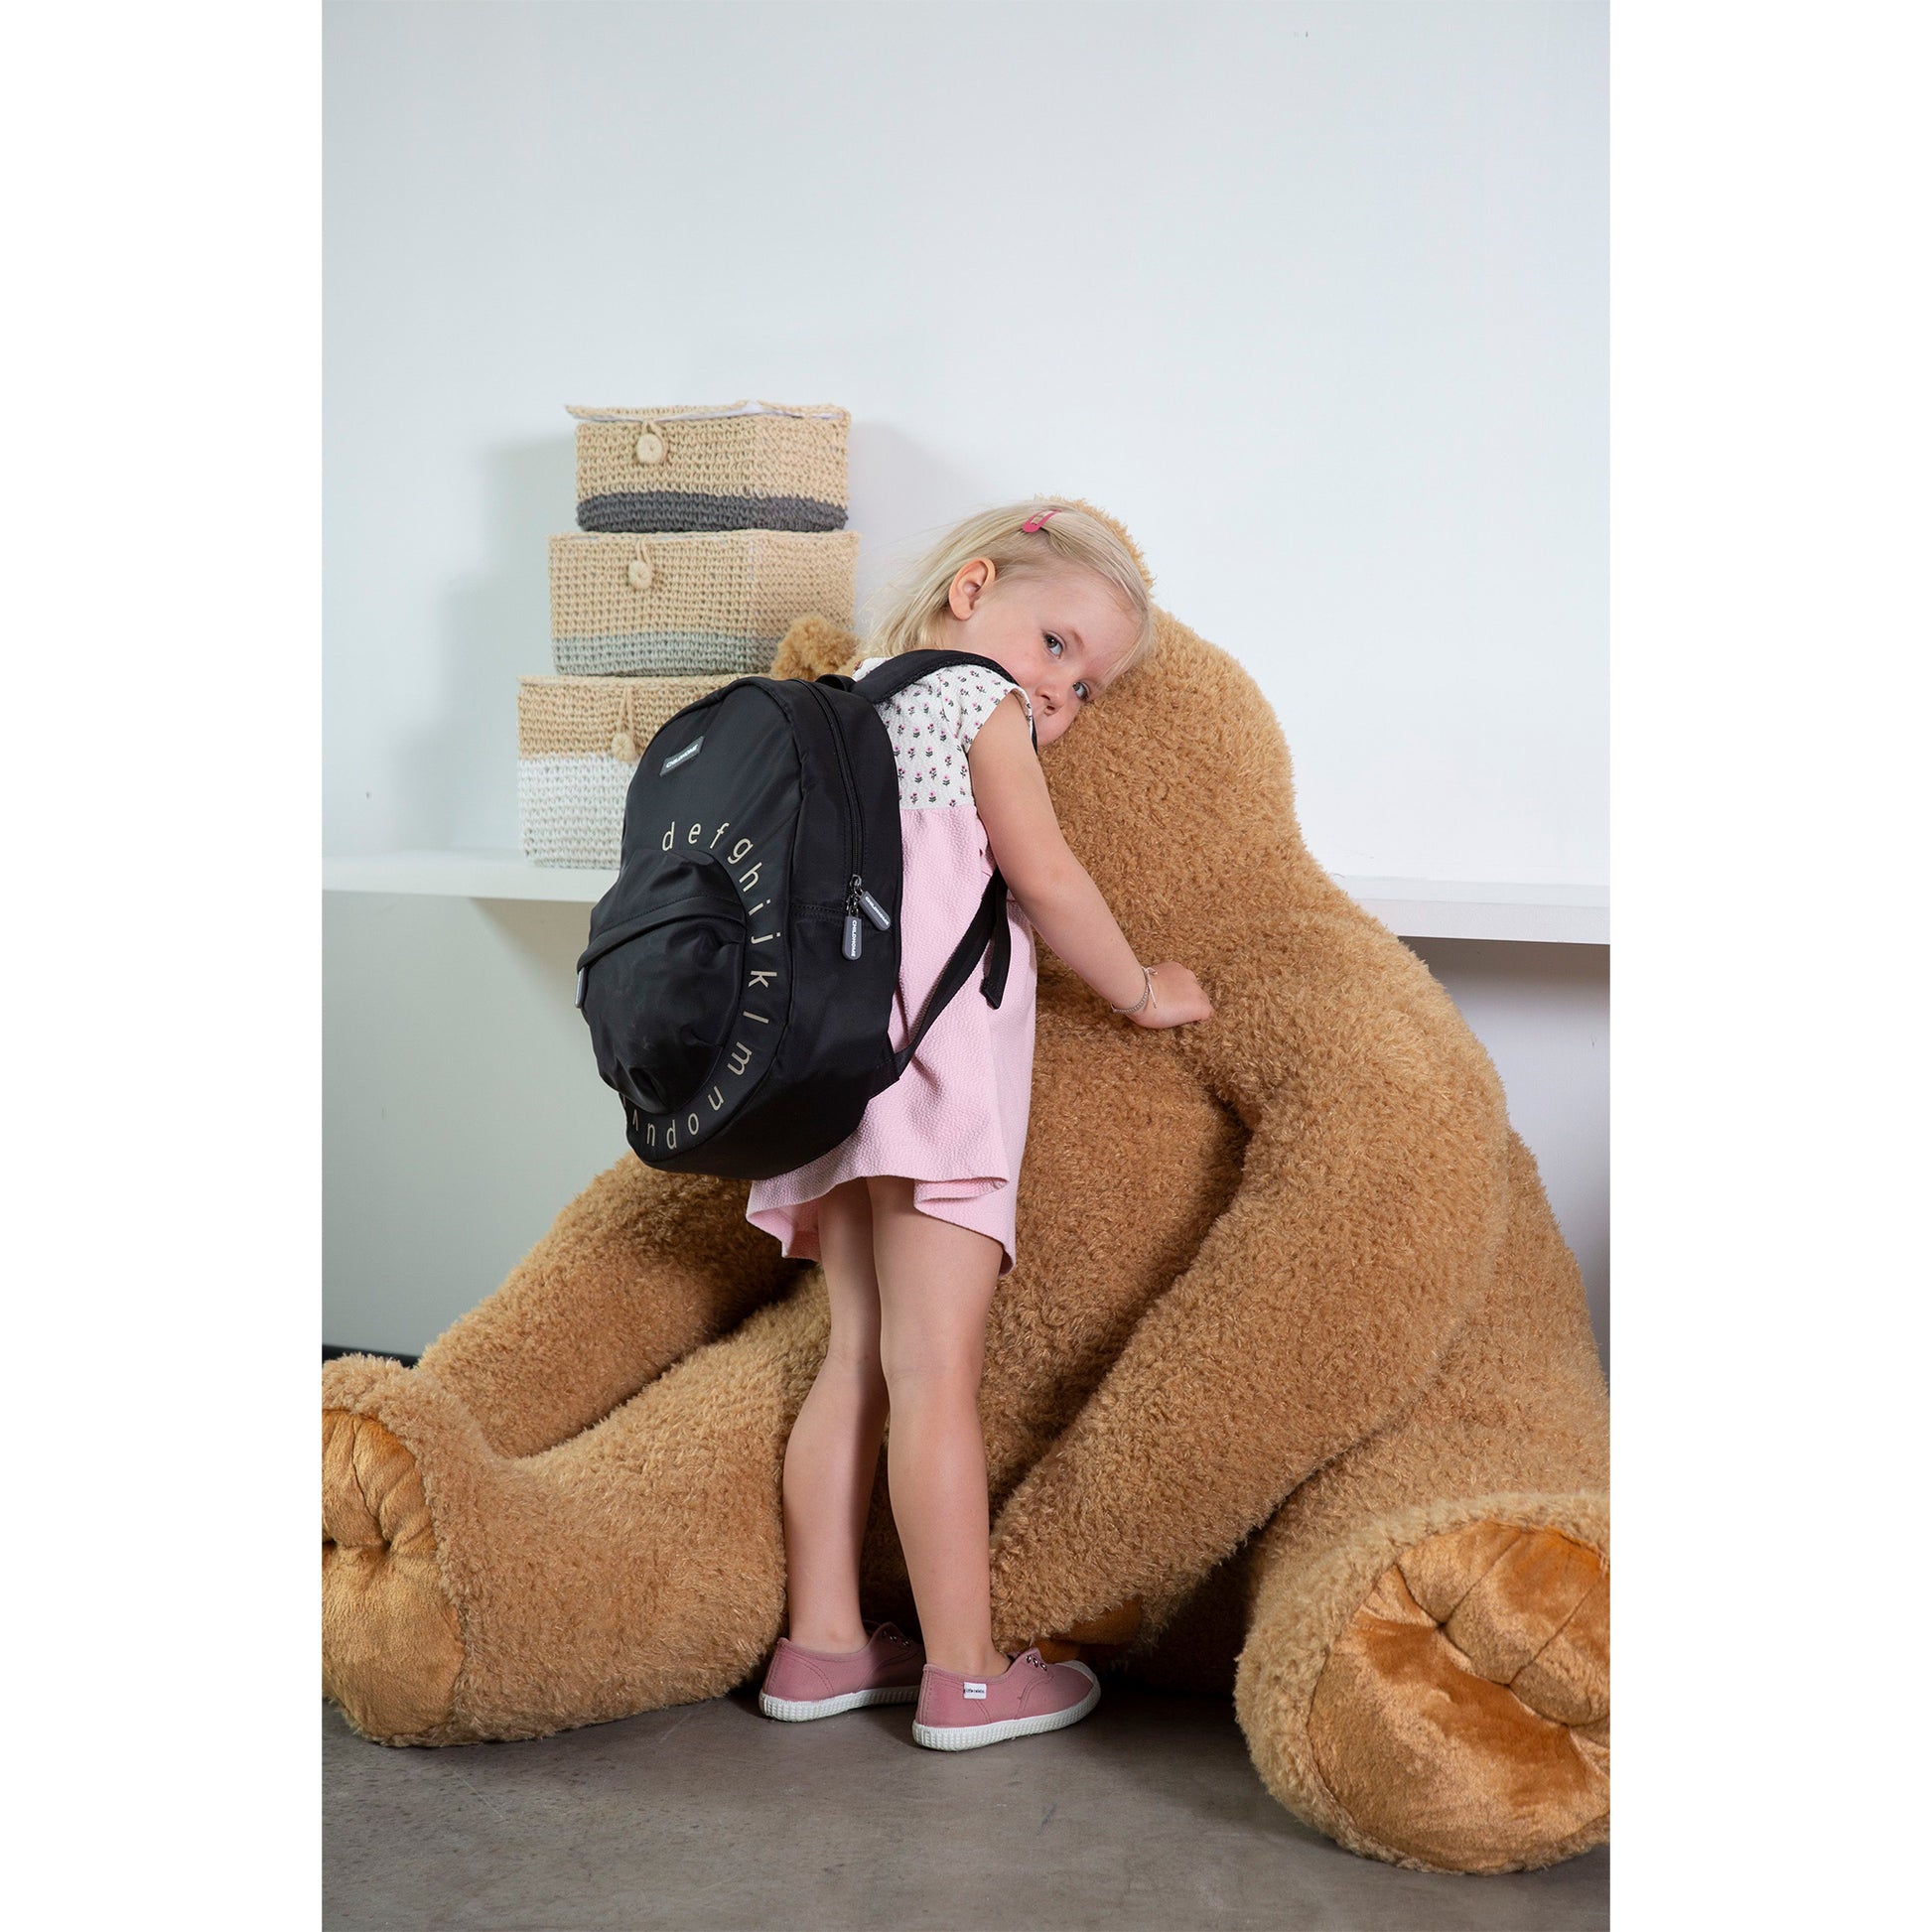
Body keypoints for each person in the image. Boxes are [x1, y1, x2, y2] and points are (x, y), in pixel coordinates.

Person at [749, 502, 1213, 1750]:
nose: (1060, 688)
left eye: (1086, 684)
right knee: (934, 1376)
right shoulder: (973, 701)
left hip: (829, 1083)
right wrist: (1141, 988)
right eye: (1056, 642)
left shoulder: (851, 702)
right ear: (971, 588)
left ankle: (822, 1643)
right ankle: (964, 1674)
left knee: (853, 1358)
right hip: (933, 1087)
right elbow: (1045, 875)